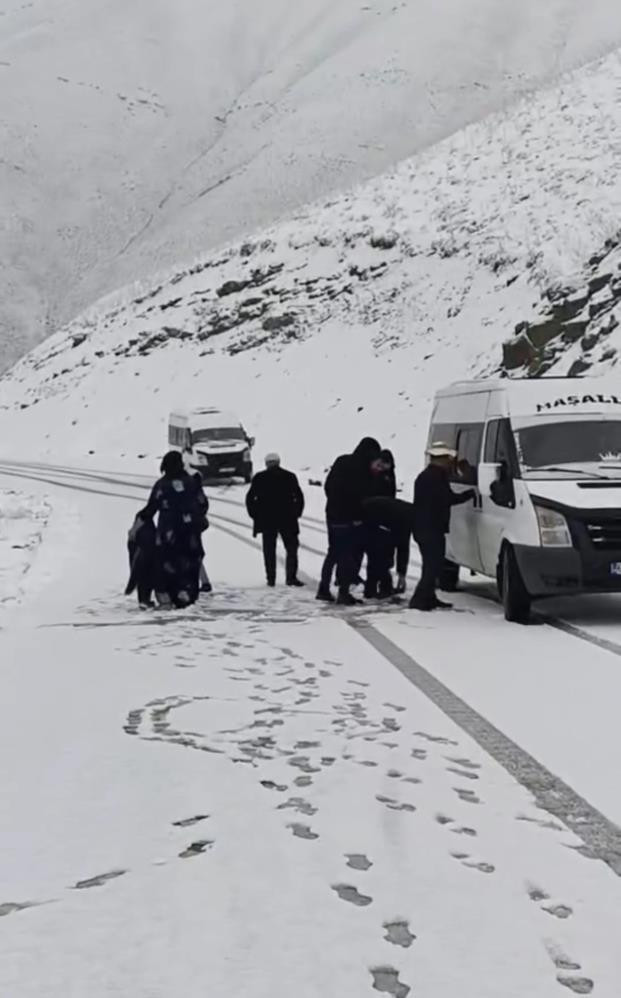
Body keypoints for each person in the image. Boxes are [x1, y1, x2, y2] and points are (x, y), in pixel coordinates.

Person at [409, 442, 476, 611]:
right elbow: (447, 499)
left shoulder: (426, 476)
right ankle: (419, 599)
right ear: (442, 459)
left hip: (425, 527)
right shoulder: (436, 477)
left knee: (431, 564)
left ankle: (429, 597)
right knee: (433, 566)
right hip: (431, 529)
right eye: (448, 459)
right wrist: (468, 495)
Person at [138, 450, 208, 608]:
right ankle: (188, 593)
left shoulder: (162, 485)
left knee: (168, 562)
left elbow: (151, 508)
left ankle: (169, 593)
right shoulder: (192, 482)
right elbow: (203, 503)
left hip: (168, 533)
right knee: (190, 562)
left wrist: (140, 520)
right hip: (190, 532)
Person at [317, 437, 382, 606]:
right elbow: (364, 497)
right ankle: (343, 592)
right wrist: (357, 515)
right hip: (350, 519)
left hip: (332, 514)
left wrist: (335, 503)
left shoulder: (342, 461)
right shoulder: (363, 471)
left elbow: (328, 486)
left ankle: (323, 588)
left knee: (333, 553)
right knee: (348, 556)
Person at [246, 453, 305, 587]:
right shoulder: (289, 476)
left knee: (269, 550)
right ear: (279, 462)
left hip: (267, 520)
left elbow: (250, 499)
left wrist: (255, 515)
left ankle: (271, 579)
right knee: (291, 548)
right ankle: (291, 577)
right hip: (288, 519)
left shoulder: (260, 478)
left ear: (267, 463)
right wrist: (296, 513)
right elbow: (299, 497)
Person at [125, 514, 157, 609]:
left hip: (139, 545)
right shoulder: (151, 534)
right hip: (146, 546)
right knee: (146, 573)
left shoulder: (133, 538)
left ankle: (143, 599)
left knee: (140, 573)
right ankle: (144, 599)